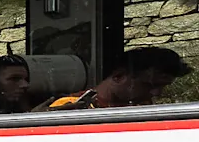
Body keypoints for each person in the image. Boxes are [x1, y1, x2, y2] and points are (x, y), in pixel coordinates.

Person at [44, 46, 192, 110]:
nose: (157, 93)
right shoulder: (71, 106)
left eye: (163, 87)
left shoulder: (143, 108)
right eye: (149, 85)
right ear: (118, 77)